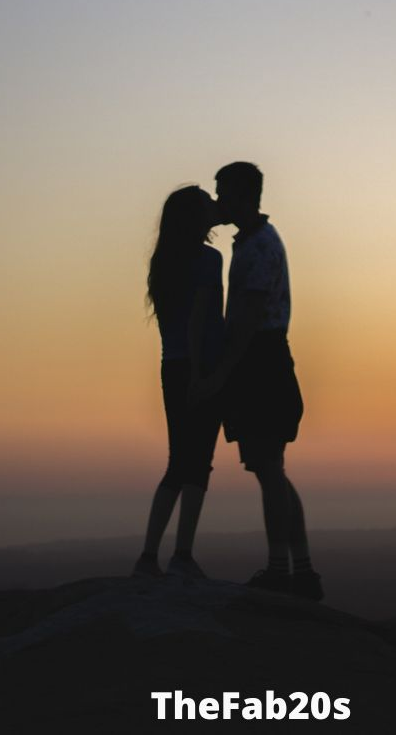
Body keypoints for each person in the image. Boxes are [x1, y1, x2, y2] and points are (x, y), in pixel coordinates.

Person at [196, 161, 323, 600]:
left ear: (242, 195)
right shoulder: (253, 242)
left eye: (222, 193)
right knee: (271, 469)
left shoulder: (258, 248)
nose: (217, 201)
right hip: (263, 361)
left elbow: (248, 319)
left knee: (269, 468)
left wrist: (221, 375)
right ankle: (300, 571)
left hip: (261, 363)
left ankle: (281, 571)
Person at [134, 184, 224, 580]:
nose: (214, 206)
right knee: (197, 463)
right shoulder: (208, 260)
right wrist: (203, 374)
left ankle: (150, 557)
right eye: (206, 203)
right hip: (198, 366)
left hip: (171, 367)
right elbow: (200, 319)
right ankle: (181, 556)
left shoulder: (164, 262)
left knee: (179, 461)